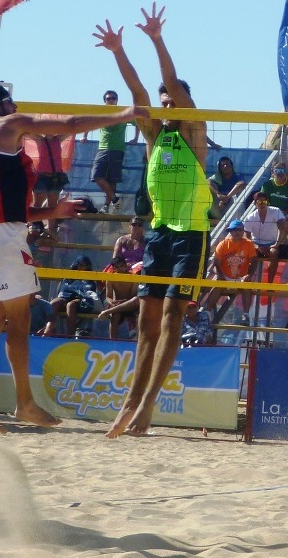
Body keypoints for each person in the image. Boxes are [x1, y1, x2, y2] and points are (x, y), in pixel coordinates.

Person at [0, 81, 145, 434]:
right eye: (11, 102)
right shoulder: (5, 124)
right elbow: (70, 125)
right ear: (0, 105)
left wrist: (52, 209)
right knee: (19, 319)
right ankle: (24, 403)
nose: (16, 107)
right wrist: (121, 116)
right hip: (1, 236)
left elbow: (4, 203)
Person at [96, 5, 213, 437]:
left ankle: (147, 405)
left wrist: (157, 40)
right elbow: (138, 91)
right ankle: (130, 404)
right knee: (146, 324)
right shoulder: (154, 133)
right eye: (164, 101)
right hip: (162, 230)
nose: (166, 103)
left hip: (192, 231)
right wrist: (118, 51)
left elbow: (167, 84)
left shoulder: (194, 128)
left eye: (172, 99)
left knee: (171, 318)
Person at [84, 89, 139, 211]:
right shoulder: (100, 113)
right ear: (105, 101)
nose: (111, 100)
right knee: (96, 175)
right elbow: (88, 122)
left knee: (112, 179)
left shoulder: (123, 112)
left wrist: (135, 138)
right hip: (103, 148)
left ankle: (106, 206)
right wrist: (85, 136)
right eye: (108, 99)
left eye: (113, 98)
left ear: (117, 100)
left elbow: (138, 123)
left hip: (118, 149)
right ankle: (115, 199)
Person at [242, 191, 288, 284]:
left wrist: (276, 244)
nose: (262, 204)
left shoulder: (276, 211)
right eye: (259, 202)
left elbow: (282, 228)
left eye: (264, 202)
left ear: (267, 202)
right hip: (256, 243)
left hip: (272, 243)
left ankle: (270, 283)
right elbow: (247, 237)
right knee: (250, 254)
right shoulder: (250, 217)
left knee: (274, 252)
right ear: (255, 203)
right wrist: (255, 246)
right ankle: (247, 278)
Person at [48, 256, 102, 336]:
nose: (80, 267)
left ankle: (69, 335)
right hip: (65, 298)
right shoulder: (68, 277)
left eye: (83, 265)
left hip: (82, 302)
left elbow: (90, 294)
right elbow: (63, 292)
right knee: (54, 303)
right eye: (79, 264)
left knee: (70, 305)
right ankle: (48, 330)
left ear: (88, 266)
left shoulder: (91, 278)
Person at [99, 254, 140, 339]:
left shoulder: (133, 277)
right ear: (113, 269)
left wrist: (123, 302)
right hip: (117, 305)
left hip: (130, 305)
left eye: (122, 266)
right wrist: (112, 302)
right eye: (117, 267)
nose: (120, 268)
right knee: (115, 315)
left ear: (126, 266)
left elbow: (133, 296)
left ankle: (137, 342)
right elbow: (108, 297)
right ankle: (113, 341)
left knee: (137, 306)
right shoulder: (110, 278)